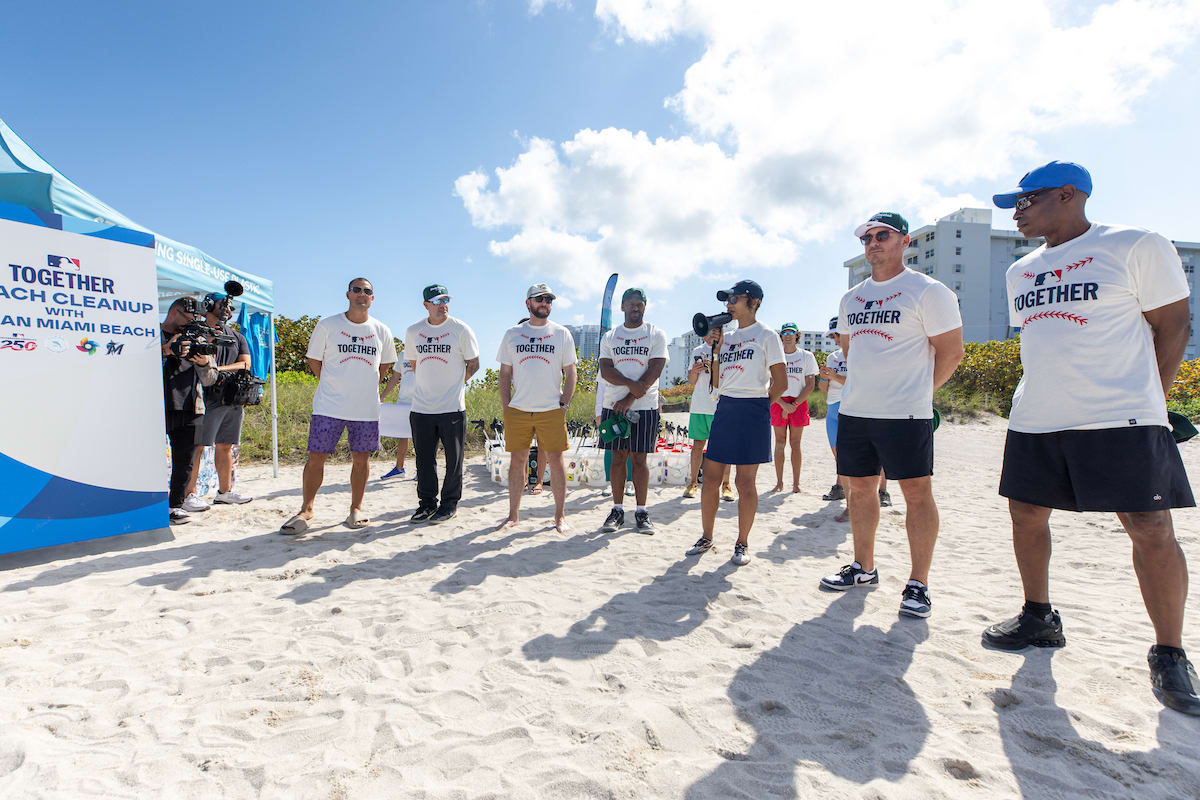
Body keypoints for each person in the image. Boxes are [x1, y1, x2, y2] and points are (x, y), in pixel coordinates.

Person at [982, 161, 1199, 715]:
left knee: (1150, 526)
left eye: (1027, 200)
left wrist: (1153, 399)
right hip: (1037, 416)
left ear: (1068, 194)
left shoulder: (1134, 245)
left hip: (1121, 416)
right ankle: (1039, 616)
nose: (1017, 210)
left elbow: (1174, 323)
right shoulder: (1021, 271)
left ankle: (1170, 652)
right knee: (1026, 514)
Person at [819, 212, 964, 619]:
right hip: (855, 411)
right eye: (867, 238)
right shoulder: (852, 298)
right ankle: (863, 568)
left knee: (916, 495)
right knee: (860, 490)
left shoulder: (928, 291)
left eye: (883, 236)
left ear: (905, 241)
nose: (873, 243)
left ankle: (918, 583)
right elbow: (851, 352)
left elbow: (952, 352)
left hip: (906, 414)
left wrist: (918, 394)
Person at [280, 277, 396, 533]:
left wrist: (368, 385)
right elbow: (313, 360)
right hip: (328, 405)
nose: (361, 295)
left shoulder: (382, 330)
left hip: (365, 407)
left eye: (367, 291)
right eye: (357, 290)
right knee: (316, 457)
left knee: (361, 458)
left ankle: (356, 508)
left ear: (372, 298)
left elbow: (385, 365)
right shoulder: (328, 325)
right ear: (348, 294)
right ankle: (306, 509)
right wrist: (331, 382)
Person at [686, 279, 786, 566]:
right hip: (725, 406)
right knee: (711, 479)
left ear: (753, 302)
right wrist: (716, 349)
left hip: (753, 407)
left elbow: (781, 382)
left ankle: (742, 543)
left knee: (745, 482)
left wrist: (761, 406)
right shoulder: (725, 338)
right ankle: (706, 536)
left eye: (734, 299)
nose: (728, 304)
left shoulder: (767, 335)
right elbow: (716, 382)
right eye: (727, 300)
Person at [496, 284, 578, 532]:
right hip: (519, 410)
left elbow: (571, 372)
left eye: (549, 299)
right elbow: (505, 373)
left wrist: (564, 403)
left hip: (551, 410)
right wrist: (506, 405)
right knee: (517, 460)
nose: (545, 303)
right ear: (528, 303)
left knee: (556, 460)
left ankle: (559, 516)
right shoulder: (512, 334)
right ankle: (513, 515)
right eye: (540, 299)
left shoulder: (561, 333)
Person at [404, 284, 480, 523]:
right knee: (424, 461)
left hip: (452, 409)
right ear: (426, 305)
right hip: (421, 408)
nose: (442, 305)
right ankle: (426, 504)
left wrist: (456, 383)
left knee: (453, 460)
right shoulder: (414, 331)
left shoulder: (460, 329)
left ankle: (448, 504)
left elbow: (474, 363)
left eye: (446, 300)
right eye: (436, 301)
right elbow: (415, 364)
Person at [597, 288, 669, 534]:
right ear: (622, 307)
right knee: (618, 457)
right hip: (613, 406)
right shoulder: (610, 337)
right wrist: (630, 385)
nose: (635, 308)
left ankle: (641, 511)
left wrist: (630, 397)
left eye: (640, 304)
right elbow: (606, 371)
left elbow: (654, 371)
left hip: (645, 407)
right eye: (631, 304)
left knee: (639, 459)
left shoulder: (655, 334)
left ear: (645, 307)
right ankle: (617, 510)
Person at [183, 288, 253, 508]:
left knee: (225, 446)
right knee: (198, 447)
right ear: (209, 306)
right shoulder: (197, 333)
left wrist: (217, 369)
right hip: (204, 397)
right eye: (224, 305)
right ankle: (188, 494)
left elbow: (245, 364)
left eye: (230, 307)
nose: (228, 309)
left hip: (232, 398)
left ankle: (224, 491)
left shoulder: (237, 336)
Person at [819, 317, 889, 522]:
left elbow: (861, 382)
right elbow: (824, 390)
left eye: (837, 334)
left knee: (859, 460)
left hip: (856, 408)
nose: (836, 339)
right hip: (833, 408)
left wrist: (835, 377)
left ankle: (856, 506)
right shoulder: (832, 357)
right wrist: (824, 377)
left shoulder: (861, 354)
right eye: (833, 336)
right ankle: (848, 502)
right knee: (840, 459)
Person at [161, 297, 218, 524]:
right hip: (157, 406)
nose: (192, 323)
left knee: (185, 460)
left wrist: (204, 363)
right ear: (174, 312)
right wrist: (166, 351)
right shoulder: (150, 335)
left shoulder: (196, 338)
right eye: (189, 318)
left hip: (190, 406)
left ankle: (175, 505)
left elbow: (211, 379)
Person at [683, 328, 733, 501]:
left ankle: (726, 485)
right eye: (708, 331)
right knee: (697, 445)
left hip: (721, 405)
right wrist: (695, 371)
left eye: (715, 331)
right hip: (699, 405)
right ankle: (693, 482)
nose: (712, 335)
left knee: (724, 447)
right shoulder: (697, 351)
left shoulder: (727, 349)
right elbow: (691, 381)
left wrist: (714, 367)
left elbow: (728, 377)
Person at [771, 322, 818, 493]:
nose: (788, 335)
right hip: (779, 401)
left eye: (791, 332)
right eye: (785, 332)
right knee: (779, 442)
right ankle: (779, 482)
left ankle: (796, 484)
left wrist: (794, 405)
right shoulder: (775, 356)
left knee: (796, 444)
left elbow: (810, 384)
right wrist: (783, 404)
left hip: (799, 401)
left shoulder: (806, 356)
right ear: (781, 336)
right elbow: (770, 383)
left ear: (797, 335)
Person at [378, 357, 415, 480]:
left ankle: (422, 471)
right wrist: (383, 396)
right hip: (403, 401)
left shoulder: (424, 350)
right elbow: (395, 377)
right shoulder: (403, 354)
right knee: (402, 435)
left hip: (421, 401)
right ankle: (399, 469)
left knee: (421, 437)